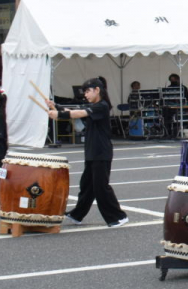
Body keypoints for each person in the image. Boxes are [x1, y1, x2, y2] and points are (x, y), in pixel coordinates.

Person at [48, 78, 128, 228]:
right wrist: (56, 107)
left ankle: (118, 216)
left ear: (97, 90)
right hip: (92, 151)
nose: (85, 94)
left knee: (101, 187)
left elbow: (79, 113)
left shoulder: (102, 106)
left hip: (101, 152)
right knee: (87, 185)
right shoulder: (94, 106)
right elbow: (76, 112)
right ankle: (77, 214)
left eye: (87, 91)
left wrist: (58, 115)